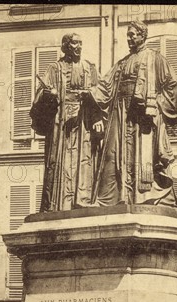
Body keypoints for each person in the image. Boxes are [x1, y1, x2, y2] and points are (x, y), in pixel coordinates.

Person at [88, 20, 177, 208]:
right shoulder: (122, 63)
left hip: (142, 115)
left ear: (142, 35)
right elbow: (105, 85)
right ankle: (113, 199)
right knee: (112, 155)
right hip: (120, 111)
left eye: (132, 34)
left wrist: (156, 104)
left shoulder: (155, 58)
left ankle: (144, 198)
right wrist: (88, 91)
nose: (129, 38)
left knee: (143, 157)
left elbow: (172, 84)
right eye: (128, 35)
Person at [30, 33, 102, 211]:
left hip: (84, 121)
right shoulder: (54, 68)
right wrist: (49, 95)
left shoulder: (89, 67)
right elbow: (39, 96)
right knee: (60, 162)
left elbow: (101, 93)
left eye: (80, 43)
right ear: (66, 45)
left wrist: (97, 117)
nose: (78, 47)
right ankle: (58, 205)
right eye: (75, 43)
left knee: (84, 161)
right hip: (60, 123)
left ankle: (83, 201)